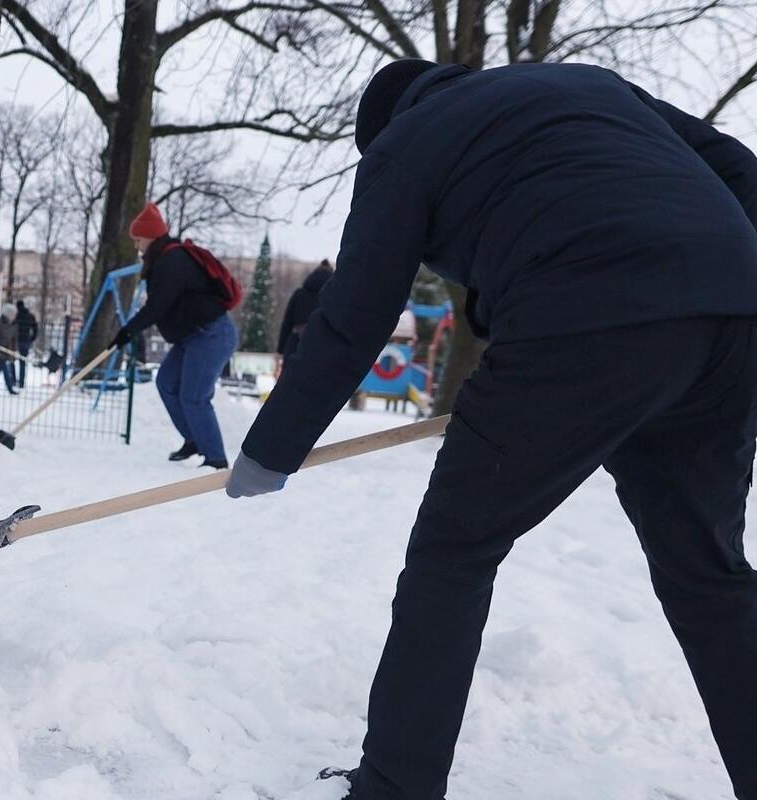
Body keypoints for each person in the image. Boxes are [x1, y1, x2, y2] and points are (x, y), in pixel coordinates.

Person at [226, 59, 757, 800]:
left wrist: (269, 449)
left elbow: (358, 310)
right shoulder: (586, 85)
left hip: (585, 311)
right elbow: (739, 165)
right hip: (734, 315)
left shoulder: (404, 143)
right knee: (709, 576)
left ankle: (395, 787)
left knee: (454, 550)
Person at [112, 202, 239, 469]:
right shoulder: (163, 260)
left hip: (212, 335)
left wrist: (127, 331)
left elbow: (157, 307)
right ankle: (194, 440)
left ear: (150, 236)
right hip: (192, 336)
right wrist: (128, 332)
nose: (137, 246)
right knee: (167, 382)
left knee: (194, 396)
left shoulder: (173, 261)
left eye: (138, 240)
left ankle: (216, 458)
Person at [277, 260, 333, 359]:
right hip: (325, 346)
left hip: (298, 344)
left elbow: (287, 323)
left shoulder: (299, 294)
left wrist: (280, 349)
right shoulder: (334, 296)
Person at [0, 303, 19, 395]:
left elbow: (12, 339)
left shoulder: (11, 325)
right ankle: (9, 388)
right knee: (2, 370)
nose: (15, 317)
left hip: (5, 352)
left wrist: (13, 351)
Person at [15, 299, 39, 387]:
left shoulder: (17, 316)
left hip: (17, 340)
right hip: (26, 340)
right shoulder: (30, 315)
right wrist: (32, 338)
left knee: (10, 359)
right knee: (23, 361)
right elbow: (35, 327)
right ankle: (21, 382)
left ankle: (13, 380)